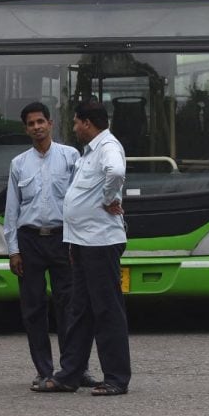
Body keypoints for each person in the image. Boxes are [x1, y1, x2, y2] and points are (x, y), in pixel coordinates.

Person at [3, 102, 99, 392]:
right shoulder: (19, 164)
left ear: (51, 123)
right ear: (26, 128)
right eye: (31, 123)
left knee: (71, 307)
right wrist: (13, 249)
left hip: (63, 239)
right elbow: (12, 209)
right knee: (33, 308)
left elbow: (79, 201)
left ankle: (74, 369)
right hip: (29, 240)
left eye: (41, 121)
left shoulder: (71, 157)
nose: (37, 127)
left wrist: (77, 241)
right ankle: (44, 370)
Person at [44, 100, 131, 395]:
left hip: (100, 243)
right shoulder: (89, 151)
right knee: (79, 310)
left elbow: (116, 172)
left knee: (107, 310)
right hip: (82, 242)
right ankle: (70, 374)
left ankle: (116, 379)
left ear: (87, 123)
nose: (74, 128)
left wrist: (109, 199)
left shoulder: (108, 147)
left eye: (76, 123)